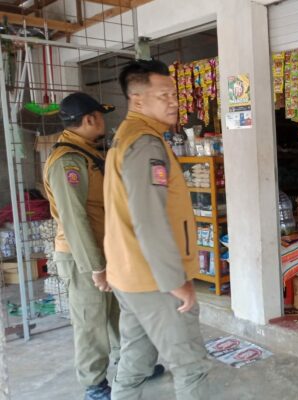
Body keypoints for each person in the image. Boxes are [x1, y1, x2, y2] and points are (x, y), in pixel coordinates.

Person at [104, 59, 210, 399]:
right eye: (163, 95)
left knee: (135, 362)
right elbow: (149, 217)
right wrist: (175, 281)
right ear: (137, 100)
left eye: (174, 94)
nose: (174, 102)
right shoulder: (146, 144)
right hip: (153, 280)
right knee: (190, 366)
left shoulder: (126, 136)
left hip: (129, 274)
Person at [44, 92, 120, 400]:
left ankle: (127, 362)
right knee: (91, 322)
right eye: (101, 116)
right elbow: (74, 219)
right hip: (81, 256)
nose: (104, 121)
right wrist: (96, 267)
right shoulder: (68, 162)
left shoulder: (86, 152)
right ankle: (94, 384)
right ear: (90, 119)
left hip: (102, 249)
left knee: (114, 313)